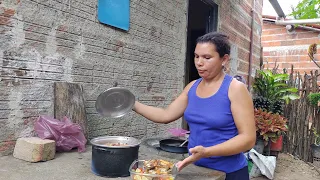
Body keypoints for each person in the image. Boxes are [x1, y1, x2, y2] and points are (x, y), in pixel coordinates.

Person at [133, 32, 256, 180]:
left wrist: (207, 152)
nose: (199, 62)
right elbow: (165, 115)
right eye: (196, 56)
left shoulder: (235, 89)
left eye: (207, 57)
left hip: (229, 173)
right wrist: (131, 104)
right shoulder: (192, 87)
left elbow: (248, 139)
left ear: (224, 59)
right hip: (196, 170)